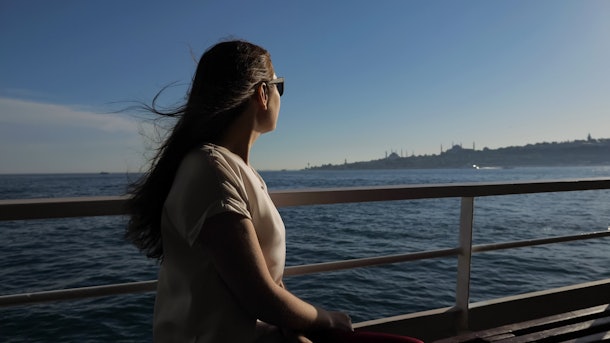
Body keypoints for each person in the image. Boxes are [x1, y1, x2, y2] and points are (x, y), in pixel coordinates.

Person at [126, 39, 422, 343]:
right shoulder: (210, 170)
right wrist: (327, 319)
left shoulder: (234, 170)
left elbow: (252, 293)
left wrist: (288, 327)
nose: (281, 96)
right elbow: (260, 296)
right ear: (262, 94)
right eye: (279, 85)